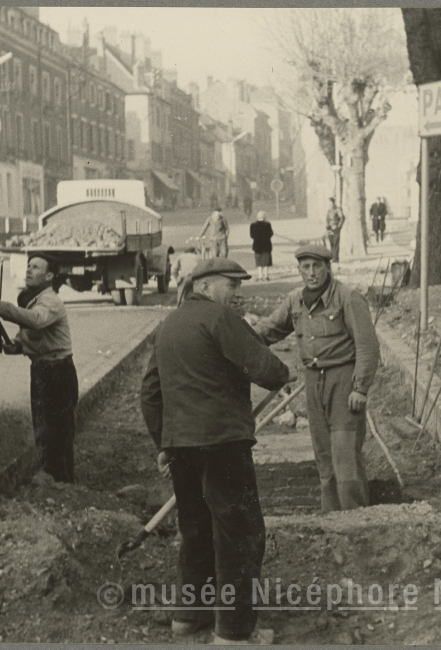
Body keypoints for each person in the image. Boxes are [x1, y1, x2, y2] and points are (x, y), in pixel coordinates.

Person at [141, 258, 293, 645]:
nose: (237, 294)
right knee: (239, 533)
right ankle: (234, 631)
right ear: (206, 286)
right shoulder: (219, 319)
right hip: (222, 445)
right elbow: (268, 370)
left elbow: (150, 393)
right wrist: (283, 370)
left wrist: (165, 441)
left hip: (181, 447)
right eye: (232, 285)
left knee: (195, 530)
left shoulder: (168, 325)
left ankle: (189, 617)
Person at [254, 244, 380, 512]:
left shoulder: (348, 298)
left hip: (343, 381)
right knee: (323, 453)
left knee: (344, 452)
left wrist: (360, 388)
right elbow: (269, 329)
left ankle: (356, 518)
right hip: (313, 381)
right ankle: (331, 517)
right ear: (299, 270)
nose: (311, 273)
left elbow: (367, 346)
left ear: (328, 268)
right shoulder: (295, 301)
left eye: (317, 266)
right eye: (305, 267)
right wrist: (234, 336)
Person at [0, 253, 78, 484]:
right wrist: (16, 345)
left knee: (60, 432)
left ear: (49, 276)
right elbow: (31, 335)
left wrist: (0, 306)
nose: (28, 270)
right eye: (28, 266)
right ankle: (52, 480)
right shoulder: (34, 300)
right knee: (43, 429)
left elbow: (35, 320)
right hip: (43, 370)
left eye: (35, 267)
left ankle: (64, 484)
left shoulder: (51, 301)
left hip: (58, 372)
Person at [249, 211, 274, 281]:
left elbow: (251, 235)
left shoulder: (253, 225)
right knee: (266, 262)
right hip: (267, 246)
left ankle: (260, 276)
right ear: (264, 217)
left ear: (257, 217)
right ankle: (266, 276)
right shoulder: (268, 224)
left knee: (259, 262)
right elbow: (271, 233)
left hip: (257, 246)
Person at [325, 197, 344, 263]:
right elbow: (327, 219)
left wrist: (338, 227)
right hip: (329, 229)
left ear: (333, 203)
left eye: (330, 202)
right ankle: (332, 257)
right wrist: (327, 225)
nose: (329, 204)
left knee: (336, 242)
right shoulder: (329, 210)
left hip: (335, 228)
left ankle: (336, 258)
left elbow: (342, 218)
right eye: (329, 203)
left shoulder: (337, 209)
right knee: (331, 242)